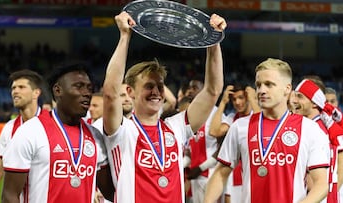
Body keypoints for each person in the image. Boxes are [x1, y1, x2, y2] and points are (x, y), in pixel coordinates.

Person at [102, 11, 226, 203]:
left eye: (160, 86)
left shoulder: (175, 127)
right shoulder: (121, 130)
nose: (156, 92)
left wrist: (213, 42)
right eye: (148, 86)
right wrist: (125, 37)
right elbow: (110, 92)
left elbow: (213, 91)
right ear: (130, 91)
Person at [204, 58, 331, 203]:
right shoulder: (240, 127)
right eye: (258, 85)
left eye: (269, 84)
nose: (261, 90)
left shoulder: (310, 129)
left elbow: (321, 184)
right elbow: (220, 173)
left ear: (287, 89)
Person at [1, 62, 114, 203]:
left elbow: (112, 193)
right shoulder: (30, 132)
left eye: (89, 88)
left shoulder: (95, 136)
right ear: (57, 90)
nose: (86, 93)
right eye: (79, 86)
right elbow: (9, 195)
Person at [0, 69, 45, 200]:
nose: (15, 91)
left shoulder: (53, 125)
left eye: (21, 87)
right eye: (13, 88)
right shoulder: (10, 128)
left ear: (36, 93)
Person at [208, 83, 260, 203]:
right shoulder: (233, 118)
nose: (237, 102)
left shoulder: (257, 116)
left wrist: (253, 100)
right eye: (234, 99)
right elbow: (214, 131)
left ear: (248, 97)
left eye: (241, 98)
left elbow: (263, 125)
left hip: (256, 175)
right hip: (235, 175)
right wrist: (223, 102)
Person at [294, 78, 343, 203]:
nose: (295, 101)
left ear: (314, 103)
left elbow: (312, 181)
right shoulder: (326, 126)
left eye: (300, 97)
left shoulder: (314, 130)